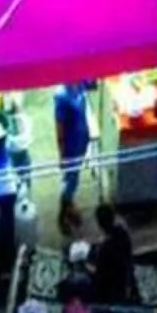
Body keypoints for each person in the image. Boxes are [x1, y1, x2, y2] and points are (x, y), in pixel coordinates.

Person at [52, 80, 94, 233]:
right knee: (69, 181)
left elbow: (93, 83)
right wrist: (62, 154)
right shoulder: (61, 96)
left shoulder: (80, 82)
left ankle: (69, 205)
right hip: (70, 146)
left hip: (81, 138)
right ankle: (63, 214)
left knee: (74, 178)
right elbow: (59, 128)